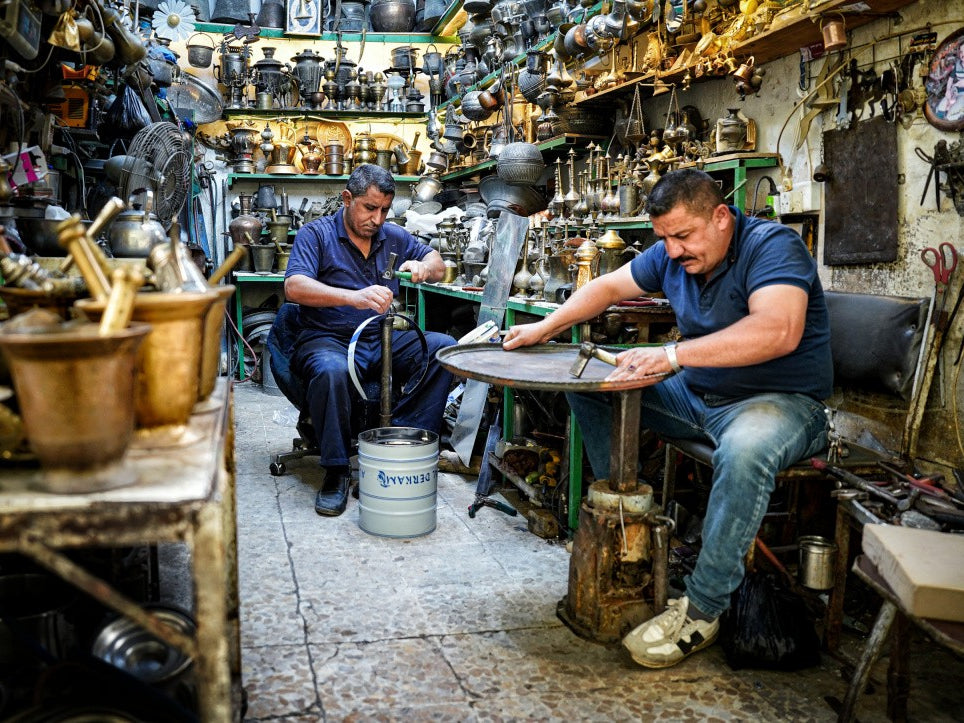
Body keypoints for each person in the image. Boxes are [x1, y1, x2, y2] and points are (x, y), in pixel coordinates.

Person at [502, 168, 832, 668]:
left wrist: (674, 355)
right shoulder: (673, 252)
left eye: (683, 236)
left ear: (721, 218)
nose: (673, 251)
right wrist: (544, 328)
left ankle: (702, 608)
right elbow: (608, 287)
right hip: (700, 397)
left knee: (744, 452)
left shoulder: (774, 246)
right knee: (589, 383)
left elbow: (778, 330)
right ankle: (625, 523)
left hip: (781, 403)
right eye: (665, 239)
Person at [284, 164, 456, 517]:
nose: (377, 220)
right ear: (348, 199)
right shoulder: (315, 235)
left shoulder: (391, 236)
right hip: (325, 337)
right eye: (369, 208)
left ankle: (397, 449)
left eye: (384, 211)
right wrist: (353, 297)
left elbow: (437, 263)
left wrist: (426, 266)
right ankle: (336, 471)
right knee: (331, 371)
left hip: (381, 336)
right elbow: (294, 287)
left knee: (441, 349)